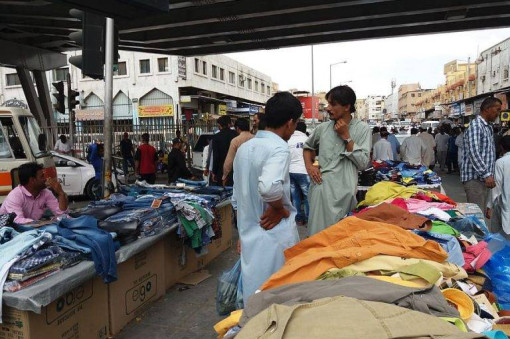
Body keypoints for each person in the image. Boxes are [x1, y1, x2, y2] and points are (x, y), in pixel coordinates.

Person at [232, 92, 301, 301]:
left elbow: (237, 197)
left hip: (249, 237)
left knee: (254, 298)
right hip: (274, 238)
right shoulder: (279, 148)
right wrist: (279, 209)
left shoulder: (245, 147)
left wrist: (241, 233)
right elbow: (269, 188)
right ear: (289, 123)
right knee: (278, 300)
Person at [303, 85, 371, 235]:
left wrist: (346, 136)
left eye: (332, 104)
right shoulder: (323, 128)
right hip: (321, 191)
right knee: (317, 239)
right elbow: (307, 147)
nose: (328, 108)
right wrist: (310, 167)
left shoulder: (362, 129)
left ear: (347, 107)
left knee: (341, 240)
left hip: (345, 195)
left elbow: (363, 163)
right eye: (328, 104)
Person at [461, 97, 501, 212]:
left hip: (483, 179)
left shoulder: (488, 127)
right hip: (475, 179)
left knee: (481, 215)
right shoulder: (476, 126)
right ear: (487, 109)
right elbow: (474, 153)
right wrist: (486, 174)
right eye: (497, 110)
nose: (498, 114)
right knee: (477, 217)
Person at [0, 162, 68, 224]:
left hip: (33, 226)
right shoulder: (15, 195)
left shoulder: (46, 193)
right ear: (32, 180)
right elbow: (18, 221)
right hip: (9, 228)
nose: (46, 179)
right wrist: (44, 223)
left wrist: (61, 193)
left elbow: (62, 213)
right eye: (42, 176)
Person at [288, 121, 310, 226]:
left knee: (295, 196)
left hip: (291, 171)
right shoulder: (307, 139)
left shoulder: (288, 139)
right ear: (304, 130)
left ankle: (298, 219)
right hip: (303, 171)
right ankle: (309, 217)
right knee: (307, 196)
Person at [487, 135, 510, 238]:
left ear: (501, 147)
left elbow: (496, 187)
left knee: (499, 236)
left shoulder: (500, 162)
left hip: (505, 204)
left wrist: (489, 206)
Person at [222, 118, 254, 186]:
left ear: (237, 128)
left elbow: (229, 161)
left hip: (239, 173)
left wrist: (225, 175)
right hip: (254, 172)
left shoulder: (236, 140)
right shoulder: (255, 138)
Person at [211, 115, 238, 186]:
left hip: (221, 169)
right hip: (235, 169)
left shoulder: (216, 137)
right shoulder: (236, 135)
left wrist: (214, 172)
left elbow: (216, 156)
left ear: (219, 125)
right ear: (229, 124)